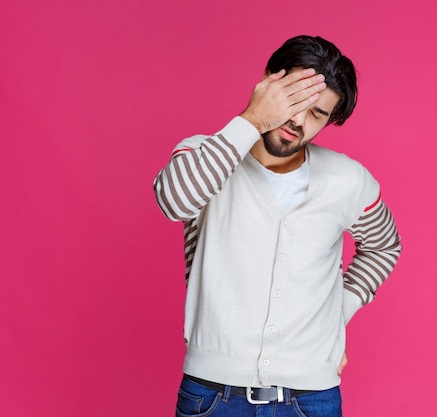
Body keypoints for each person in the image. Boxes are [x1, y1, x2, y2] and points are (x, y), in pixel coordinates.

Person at [153, 35, 402, 417]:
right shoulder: (204, 154)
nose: (298, 120)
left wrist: (337, 314)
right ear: (269, 81)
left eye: (317, 113)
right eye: (293, 100)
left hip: (311, 399)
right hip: (211, 396)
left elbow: (384, 246)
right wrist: (253, 119)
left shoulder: (347, 180)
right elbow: (175, 201)